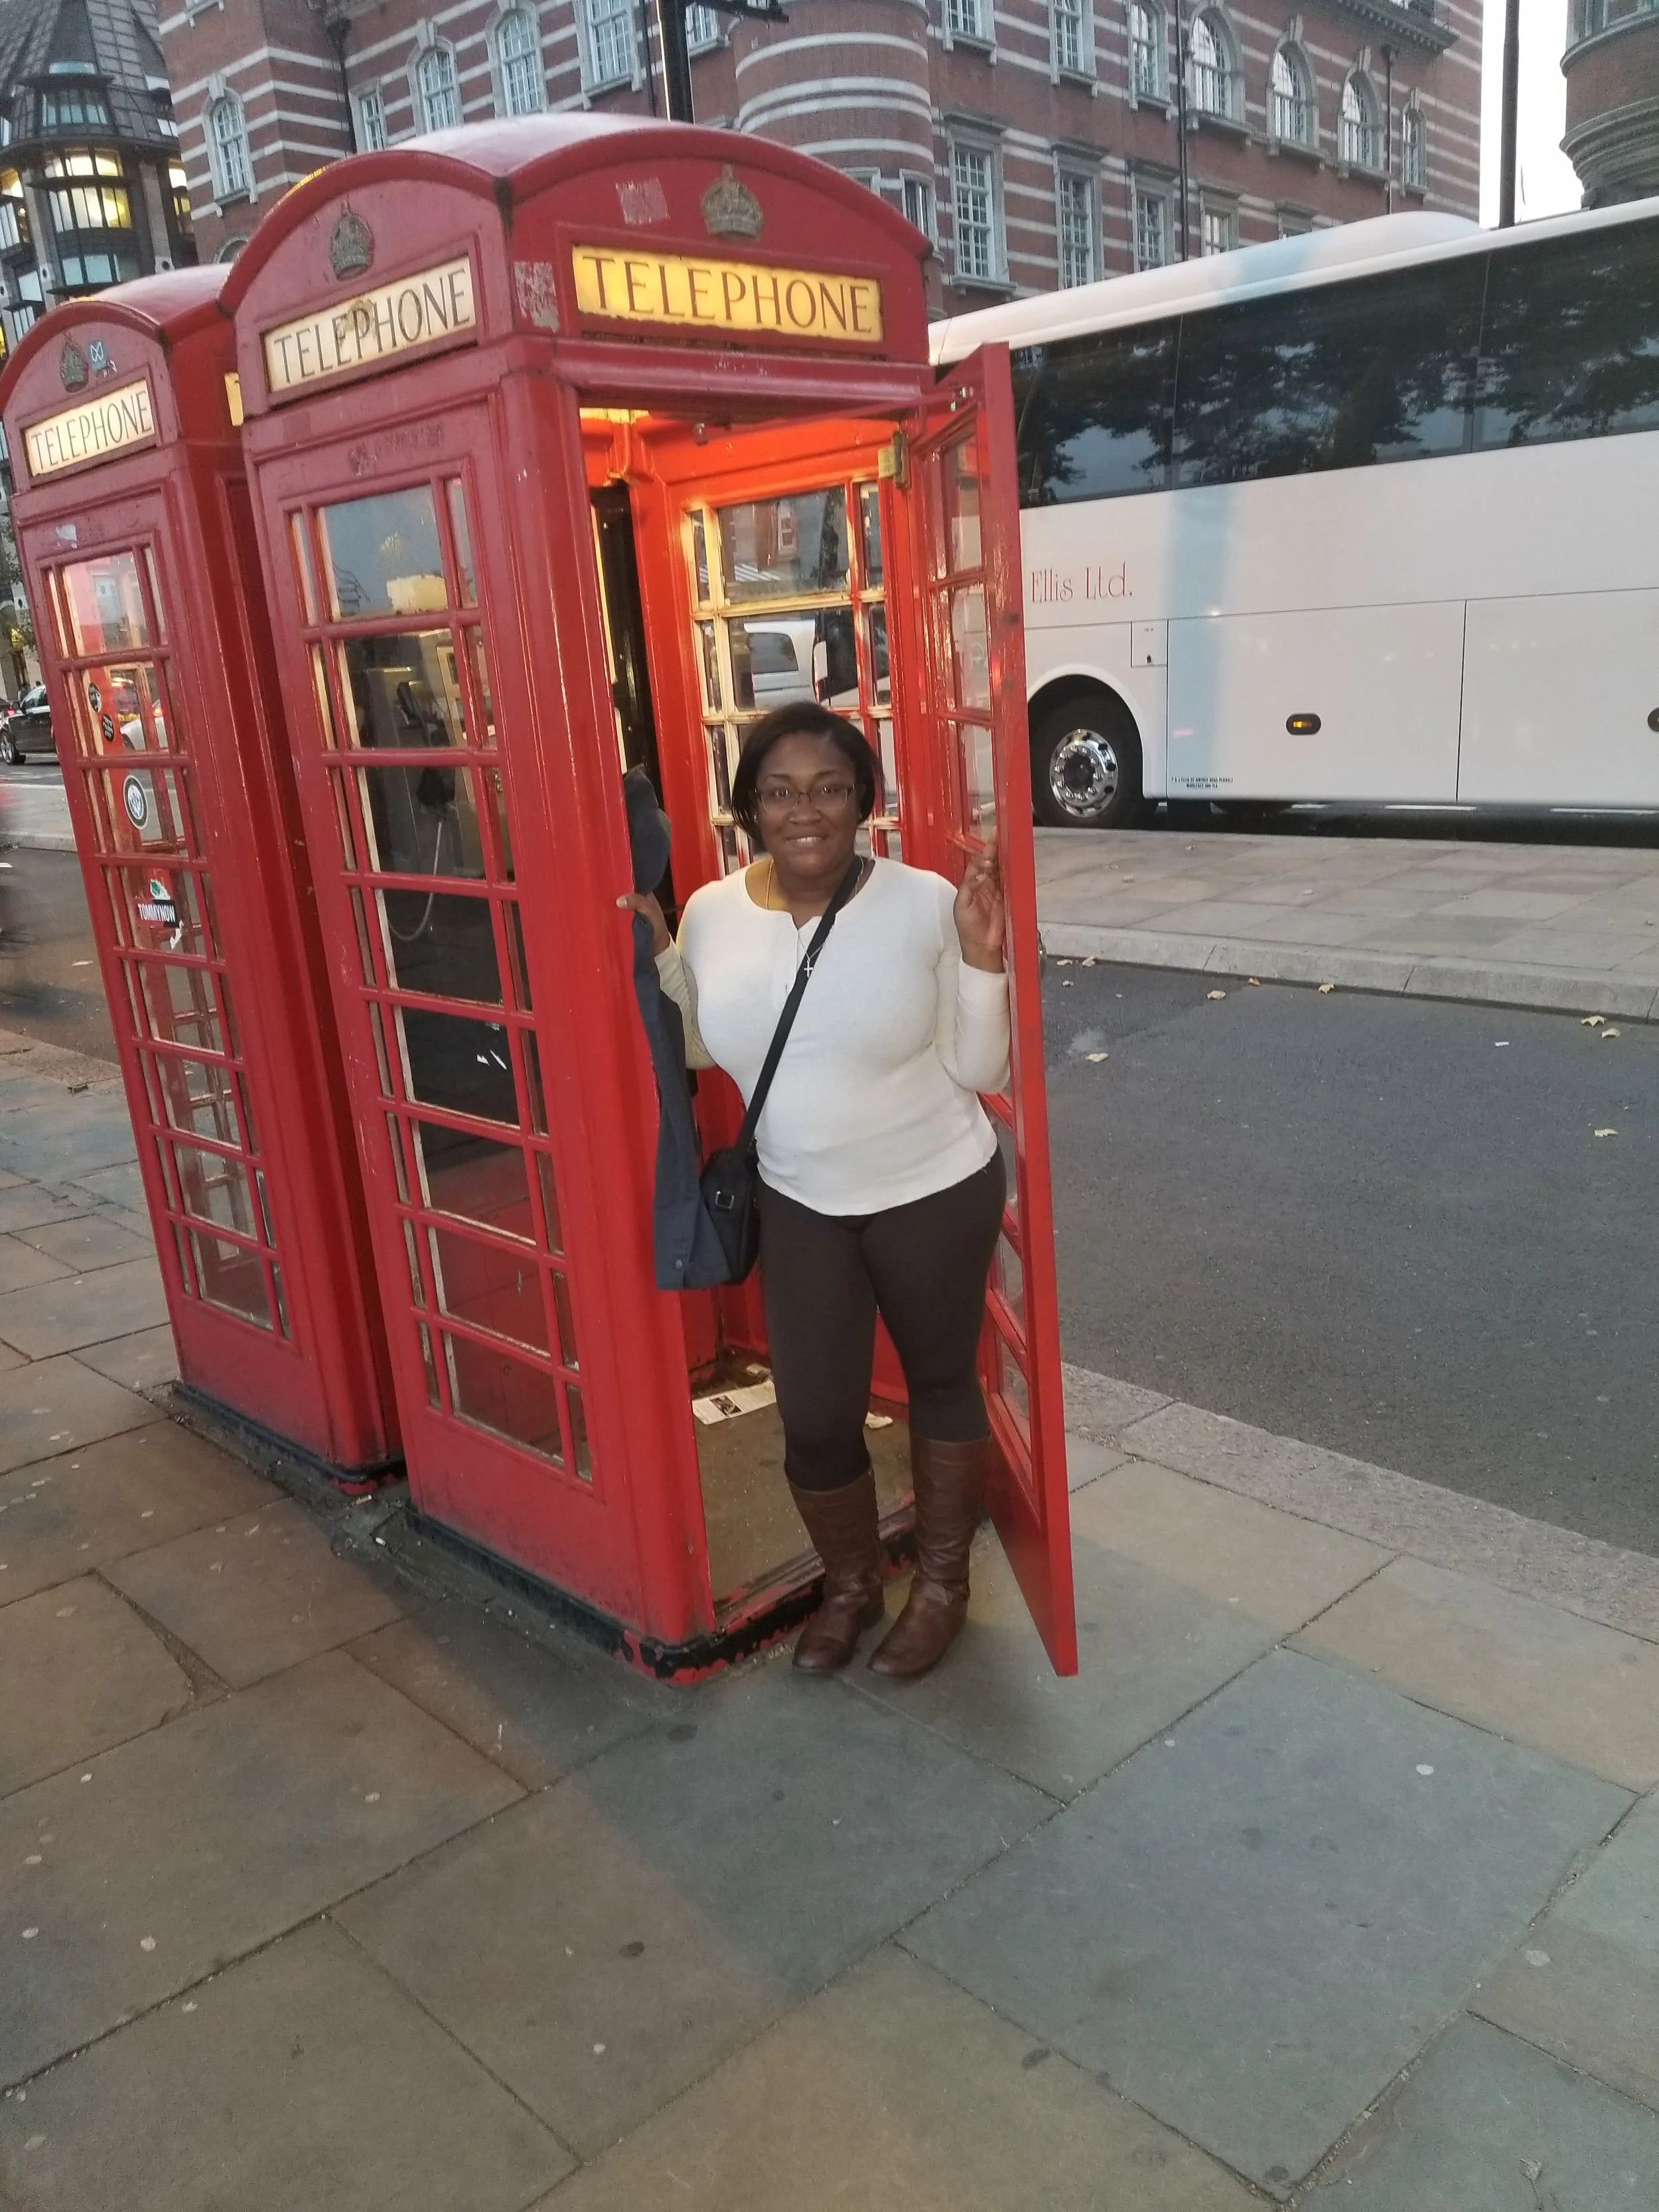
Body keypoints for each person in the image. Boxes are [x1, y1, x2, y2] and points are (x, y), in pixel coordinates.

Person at [620, 702, 1009, 1679]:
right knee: (818, 1414)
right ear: (749, 805)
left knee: (941, 1383)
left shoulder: (923, 901)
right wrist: (661, 950)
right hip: (800, 1201)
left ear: (863, 803)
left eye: (831, 789)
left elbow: (978, 1063)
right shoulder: (711, 909)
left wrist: (984, 959)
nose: (808, 811)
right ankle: (850, 1584)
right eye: (782, 791)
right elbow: (714, 1052)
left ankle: (942, 1586)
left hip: (932, 1184)